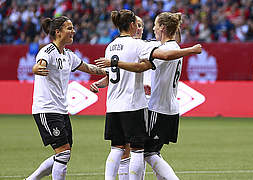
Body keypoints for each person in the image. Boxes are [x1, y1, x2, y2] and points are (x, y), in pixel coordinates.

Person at [93, 9, 201, 180]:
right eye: (139, 25)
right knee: (148, 151)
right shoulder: (167, 47)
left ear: (163, 28)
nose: (152, 29)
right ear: (132, 25)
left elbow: (144, 65)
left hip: (151, 107)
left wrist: (114, 62)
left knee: (141, 152)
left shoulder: (111, 47)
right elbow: (166, 51)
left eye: (156, 26)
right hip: (165, 106)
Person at [25, 16, 107, 180]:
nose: (73, 31)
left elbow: (88, 68)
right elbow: (39, 64)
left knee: (64, 154)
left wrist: (108, 71)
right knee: (63, 152)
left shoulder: (68, 55)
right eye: (69, 28)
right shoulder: (47, 51)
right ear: (58, 32)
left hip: (62, 110)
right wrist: (37, 68)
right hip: (46, 109)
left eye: (73, 28)